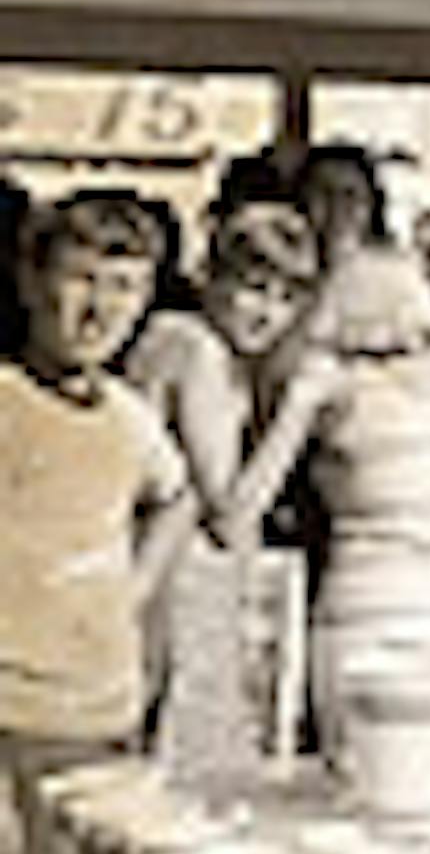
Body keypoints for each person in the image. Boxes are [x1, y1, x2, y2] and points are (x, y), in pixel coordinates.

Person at [0, 194, 194, 854]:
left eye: (125, 287)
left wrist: (136, 589)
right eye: (81, 279)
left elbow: (178, 497)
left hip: (101, 720)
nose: (100, 309)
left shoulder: (129, 416)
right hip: (9, 723)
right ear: (30, 280)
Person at [124, 204, 346, 783]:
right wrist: (297, 410)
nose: (267, 312)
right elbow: (232, 520)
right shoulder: (196, 350)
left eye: (284, 297)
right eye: (253, 288)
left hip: (147, 589)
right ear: (213, 278)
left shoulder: (185, 342)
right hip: (157, 597)